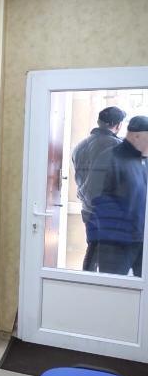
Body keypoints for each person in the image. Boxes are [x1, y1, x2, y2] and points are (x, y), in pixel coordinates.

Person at [88, 115, 148, 277]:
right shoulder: (110, 158)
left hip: (142, 240)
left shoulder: (144, 161)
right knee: (112, 286)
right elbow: (94, 196)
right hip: (115, 243)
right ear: (136, 136)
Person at [72, 106, 126, 270]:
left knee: (93, 248)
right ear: (118, 125)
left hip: (88, 209)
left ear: (99, 121)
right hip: (109, 211)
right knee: (109, 257)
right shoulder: (117, 146)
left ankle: (87, 281)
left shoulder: (79, 146)